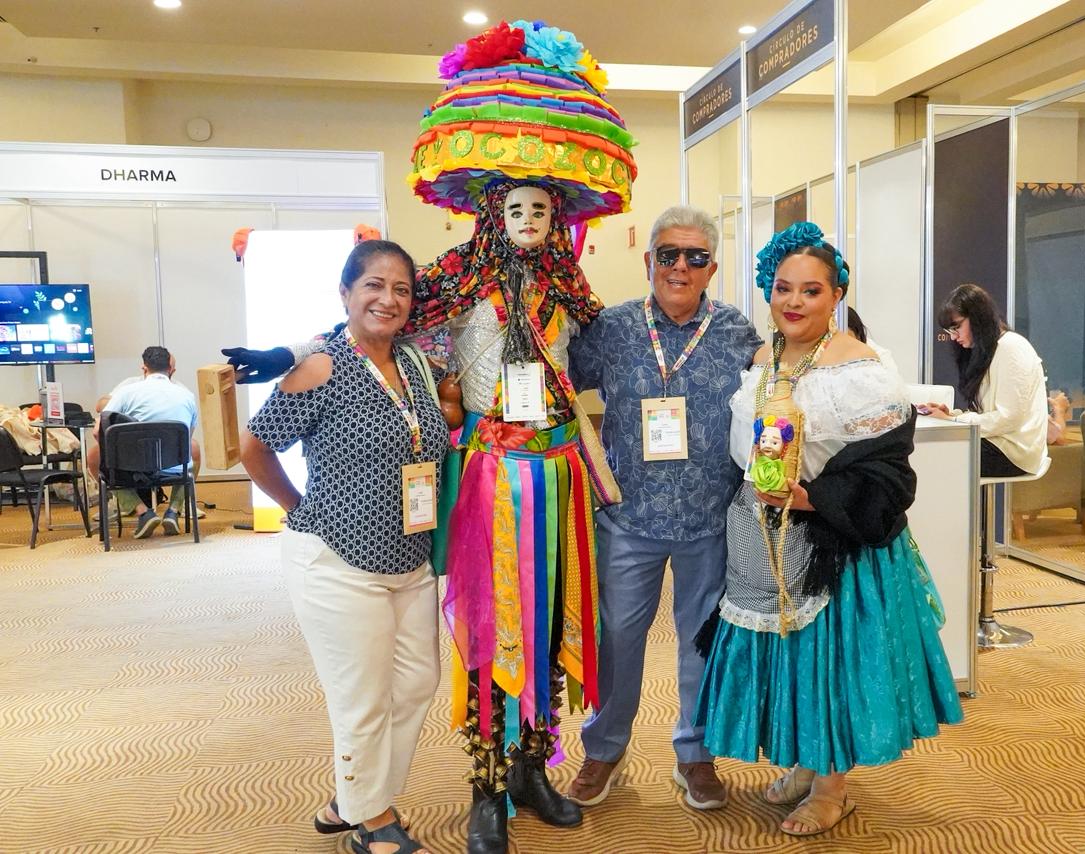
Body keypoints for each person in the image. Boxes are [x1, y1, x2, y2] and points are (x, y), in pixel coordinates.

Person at [225, 22, 639, 854]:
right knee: (490, 626)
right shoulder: (456, 278)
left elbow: (609, 349)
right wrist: (291, 351)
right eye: (514, 206)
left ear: (559, 216)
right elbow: (374, 325)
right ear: (491, 210)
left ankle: (531, 767)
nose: (527, 218)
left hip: (556, 473)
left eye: (541, 208)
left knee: (549, 621)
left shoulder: (571, 285)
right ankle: (485, 784)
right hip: (489, 474)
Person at [696, 222, 962, 837]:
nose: (793, 302)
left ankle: (830, 788)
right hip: (764, 535)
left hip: (833, 543)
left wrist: (811, 499)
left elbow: (889, 472)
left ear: (836, 294)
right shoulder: (762, 358)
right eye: (783, 288)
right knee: (791, 660)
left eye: (810, 291)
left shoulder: (860, 368)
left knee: (828, 663)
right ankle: (805, 762)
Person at [241, 240, 450, 854]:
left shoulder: (414, 363)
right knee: (361, 697)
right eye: (373, 286)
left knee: (415, 685)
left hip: (409, 557)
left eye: (401, 289)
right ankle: (373, 819)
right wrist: (297, 508)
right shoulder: (321, 366)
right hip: (336, 559)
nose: (388, 299)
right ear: (346, 294)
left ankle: (351, 797)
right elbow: (255, 446)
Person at [566, 206, 761, 810]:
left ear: (712, 268)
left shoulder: (736, 332)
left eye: (696, 257)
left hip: (710, 517)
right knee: (619, 640)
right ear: (649, 261)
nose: (681, 267)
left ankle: (695, 754)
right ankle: (604, 748)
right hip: (629, 517)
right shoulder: (612, 328)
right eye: (670, 255)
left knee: (702, 642)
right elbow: (556, 380)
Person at [920, 283, 1049, 477]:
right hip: (999, 442)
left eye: (956, 327)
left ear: (977, 317)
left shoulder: (1011, 348)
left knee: (930, 456)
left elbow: (1009, 418)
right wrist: (952, 416)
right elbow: (991, 414)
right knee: (928, 452)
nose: (954, 337)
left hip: (1014, 452)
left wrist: (954, 420)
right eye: (949, 331)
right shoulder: (989, 349)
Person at [94, 345, 198, 539]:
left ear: (144, 368)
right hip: (175, 467)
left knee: (107, 467)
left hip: (134, 467)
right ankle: (173, 512)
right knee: (190, 461)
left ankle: (143, 512)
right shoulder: (187, 396)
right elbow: (187, 438)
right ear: (170, 369)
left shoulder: (127, 392)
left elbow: (98, 431)